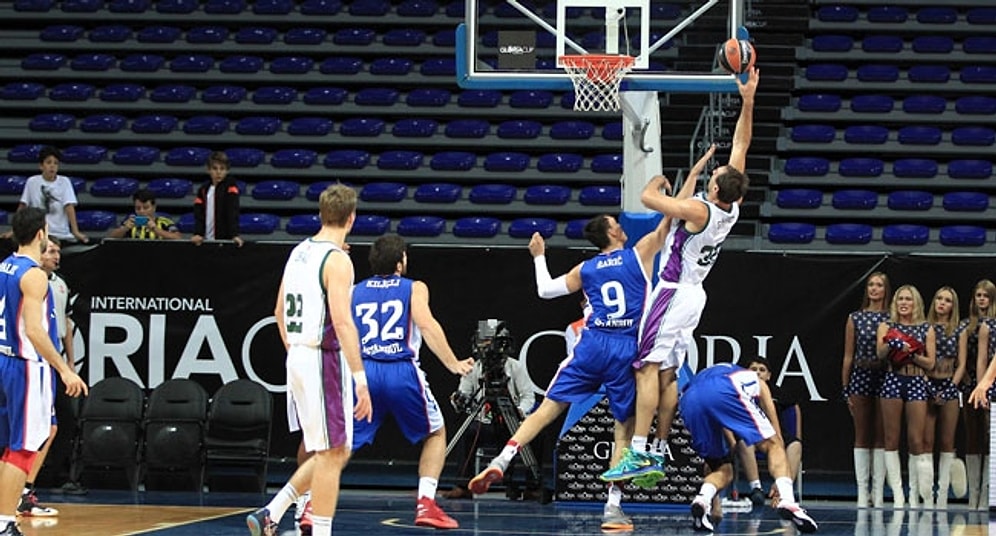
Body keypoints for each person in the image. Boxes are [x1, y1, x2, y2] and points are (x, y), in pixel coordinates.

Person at [602, 67, 758, 485]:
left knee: (645, 368)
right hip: (694, 294)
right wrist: (748, 99)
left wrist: (658, 181)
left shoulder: (700, 210)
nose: (714, 174)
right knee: (668, 372)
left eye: (712, 178)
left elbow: (648, 198)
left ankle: (637, 453)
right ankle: (656, 451)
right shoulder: (732, 205)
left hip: (671, 293)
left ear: (714, 191)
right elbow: (742, 143)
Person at [470, 212, 669, 533]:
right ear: (613, 233)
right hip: (623, 346)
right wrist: (675, 196)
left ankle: (501, 461)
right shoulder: (637, 254)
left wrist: (539, 257)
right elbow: (666, 226)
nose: (621, 225)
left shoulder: (586, 268)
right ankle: (613, 508)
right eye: (616, 224)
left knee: (547, 408)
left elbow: (545, 290)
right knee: (623, 428)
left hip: (592, 344)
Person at [246, 184, 372, 536]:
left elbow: (277, 311)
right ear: (352, 218)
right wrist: (361, 379)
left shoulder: (299, 251)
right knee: (333, 453)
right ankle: (320, 531)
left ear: (321, 214)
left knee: (331, 449)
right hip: (321, 357)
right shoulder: (338, 260)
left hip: (299, 354)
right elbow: (343, 322)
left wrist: (297, 352)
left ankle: (273, 510)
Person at [348, 234, 474, 529]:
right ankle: (426, 504)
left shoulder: (354, 290)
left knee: (343, 444)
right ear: (400, 262)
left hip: (364, 370)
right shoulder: (414, 288)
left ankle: (311, 502)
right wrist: (452, 362)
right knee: (436, 433)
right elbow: (427, 325)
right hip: (401, 369)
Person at [0, 208, 87, 536]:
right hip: (27, 365)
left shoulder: (4, 266)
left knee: (12, 447)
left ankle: (3, 517)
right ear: (40, 234)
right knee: (23, 449)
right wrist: (65, 369)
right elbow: (35, 331)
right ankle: (6, 523)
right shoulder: (34, 275)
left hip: (6, 360)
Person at [679, 362, 816, 533]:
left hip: (688, 400)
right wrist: (781, 473)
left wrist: (717, 507)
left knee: (723, 468)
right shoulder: (750, 379)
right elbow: (775, 435)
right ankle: (788, 500)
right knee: (773, 445)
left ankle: (703, 500)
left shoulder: (707, 376)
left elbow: (722, 428)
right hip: (724, 388)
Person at [16, 238, 76, 518]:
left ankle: (23, 491)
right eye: (51, 250)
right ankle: (15, 496)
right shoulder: (27, 277)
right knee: (25, 435)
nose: (56, 255)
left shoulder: (60, 285)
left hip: (50, 363)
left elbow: (65, 325)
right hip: (27, 362)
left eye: (58, 251)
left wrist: (69, 363)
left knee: (49, 430)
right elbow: (32, 328)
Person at [444, 350, 535, 500]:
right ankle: (462, 485)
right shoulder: (473, 368)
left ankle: (531, 486)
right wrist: (458, 400)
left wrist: (520, 411)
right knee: (467, 433)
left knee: (534, 433)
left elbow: (528, 396)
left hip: (510, 420)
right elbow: (464, 395)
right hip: (483, 422)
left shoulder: (515, 367)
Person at [876, 284, 935, 509]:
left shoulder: (925, 328)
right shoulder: (887, 325)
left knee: (916, 440)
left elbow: (931, 362)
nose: (903, 303)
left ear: (916, 303)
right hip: (893, 379)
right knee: (891, 439)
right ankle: (898, 495)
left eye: (908, 299)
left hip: (917, 381)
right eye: (900, 299)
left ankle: (915, 494)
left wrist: (913, 354)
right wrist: (891, 343)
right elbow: (880, 354)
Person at [841, 271, 891, 508]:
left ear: (885, 289)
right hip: (861, 374)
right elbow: (848, 355)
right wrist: (845, 386)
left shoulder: (892, 317)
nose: (874, 289)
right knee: (861, 433)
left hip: (885, 374)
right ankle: (863, 491)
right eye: (871, 284)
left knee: (881, 434)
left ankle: (878, 491)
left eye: (879, 285)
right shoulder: (855, 318)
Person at [734, 356, 802, 508]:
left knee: (796, 445)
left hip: (774, 433)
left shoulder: (778, 393)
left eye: (762, 370)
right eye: (753, 369)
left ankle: (783, 490)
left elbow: (794, 409)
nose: (758, 373)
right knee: (744, 442)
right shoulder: (740, 392)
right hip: (751, 432)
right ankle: (756, 488)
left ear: (769, 375)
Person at [923, 286, 967, 508]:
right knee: (927, 440)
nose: (942, 303)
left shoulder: (959, 329)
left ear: (953, 305)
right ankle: (928, 494)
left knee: (947, 441)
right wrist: (930, 387)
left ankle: (942, 495)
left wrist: (951, 387)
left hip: (950, 384)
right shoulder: (925, 327)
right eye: (939, 298)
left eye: (947, 300)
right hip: (928, 383)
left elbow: (962, 363)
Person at [17, 146, 88, 244]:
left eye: (56, 163)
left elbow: (69, 207)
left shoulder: (64, 182)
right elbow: (23, 206)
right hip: (38, 234)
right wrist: (14, 230)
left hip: (61, 235)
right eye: (49, 162)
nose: (52, 166)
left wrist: (75, 231)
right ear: (41, 166)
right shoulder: (32, 182)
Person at [966, 280, 996, 510]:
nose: (982, 299)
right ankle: (980, 495)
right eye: (978, 295)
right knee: (982, 439)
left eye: (986, 295)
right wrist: (981, 386)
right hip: (983, 384)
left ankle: (988, 493)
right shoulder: (977, 326)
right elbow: (982, 361)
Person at [192, 151, 242, 247]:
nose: (218, 172)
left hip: (224, 240)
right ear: (208, 170)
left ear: (227, 170)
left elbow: (232, 211)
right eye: (215, 169)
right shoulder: (203, 190)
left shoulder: (230, 187)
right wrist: (198, 233)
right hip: (205, 240)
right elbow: (199, 214)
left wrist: (234, 234)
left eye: (222, 169)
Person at [106, 189, 181, 240]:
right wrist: (124, 229)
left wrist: (156, 229)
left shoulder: (165, 222)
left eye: (146, 208)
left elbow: (177, 237)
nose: (141, 211)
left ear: (154, 207)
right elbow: (111, 237)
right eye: (138, 208)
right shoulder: (130, 221)